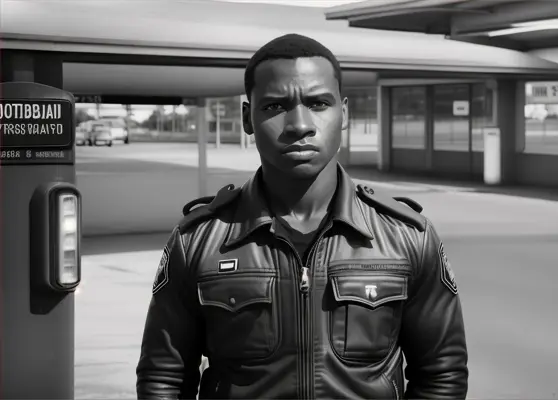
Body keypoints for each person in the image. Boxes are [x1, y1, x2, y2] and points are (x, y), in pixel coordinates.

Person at [136, 33, 469, 400]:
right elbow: (164, 378)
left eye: (318, 103)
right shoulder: (197, 241)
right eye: (275, 106)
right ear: (248, 117)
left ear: (344, 113)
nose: (299, 125)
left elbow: (442, 374)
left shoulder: (408, 236)